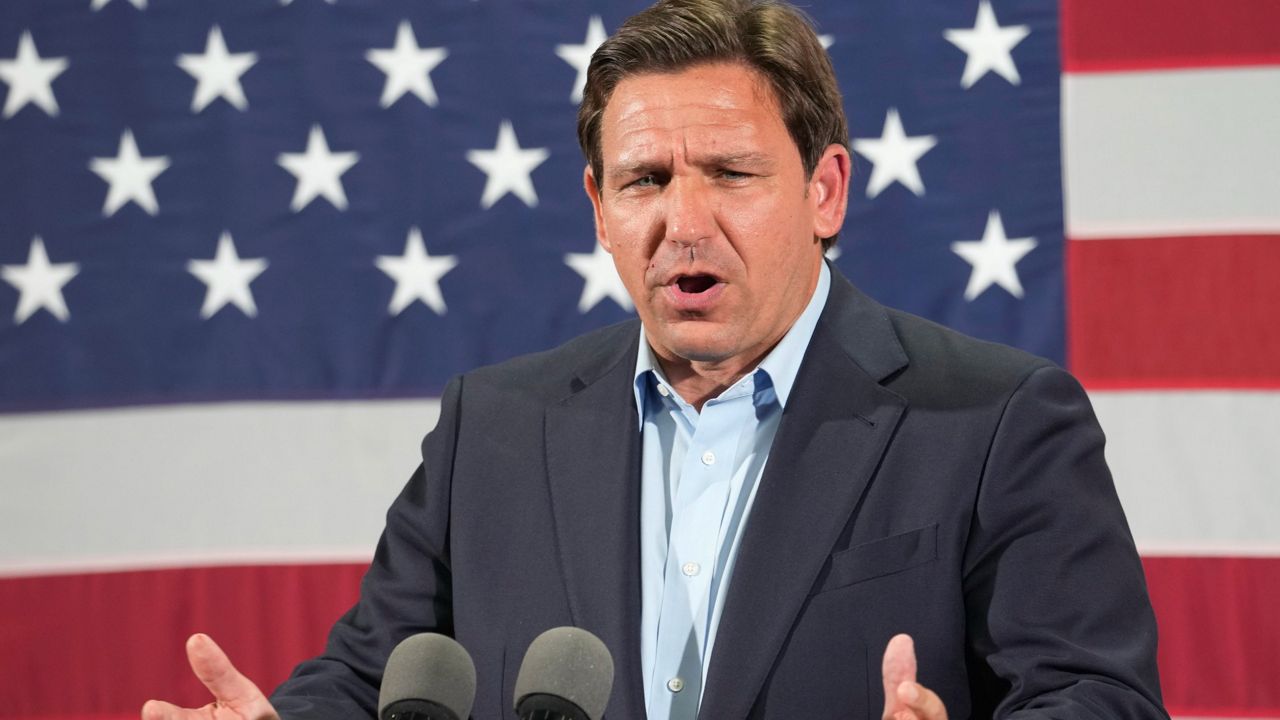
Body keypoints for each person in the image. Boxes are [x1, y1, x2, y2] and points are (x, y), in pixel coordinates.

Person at [142, 1, 1168, 718]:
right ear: (596, 207)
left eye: (729, 172)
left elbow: (1097, 695)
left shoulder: (994, 420)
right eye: (643, 180)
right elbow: (376, 680)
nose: (684, 221)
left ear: (824, 192)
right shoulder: (493, 431)